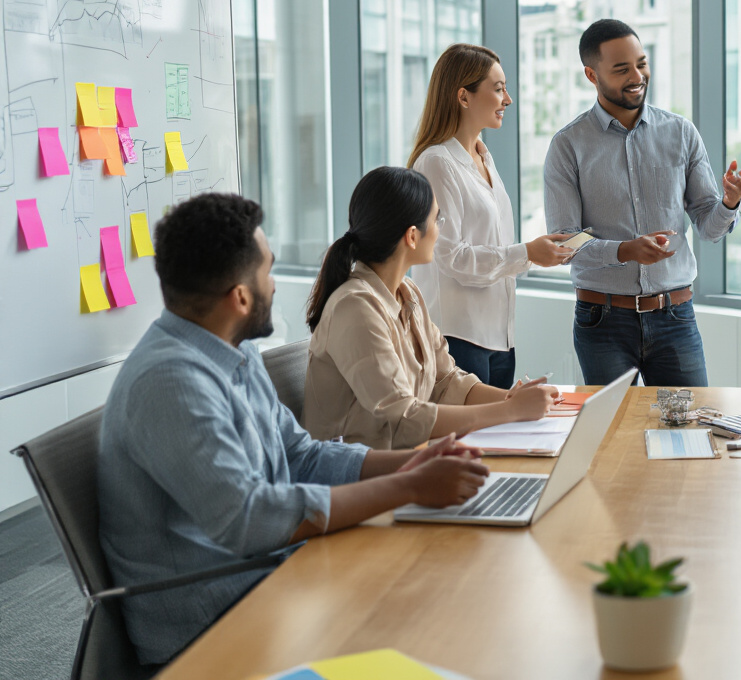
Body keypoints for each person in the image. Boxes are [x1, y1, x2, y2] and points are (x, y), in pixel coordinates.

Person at [98, 193, 491, 666]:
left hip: (268, 574)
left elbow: (300, 454)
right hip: (211, 624)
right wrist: (406, 487)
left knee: (436, 584)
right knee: (419, 611)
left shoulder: (230, 347)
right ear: (239, 297)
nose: (275, 285)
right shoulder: (170, 383)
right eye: (267, 272)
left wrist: (411, 462)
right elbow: (250, 519)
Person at [543, 18, 741, 386]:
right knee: (612, 435)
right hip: (602, 321)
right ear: (592, 75)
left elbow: (708, 228)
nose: (637, 76)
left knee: (688, 431)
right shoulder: (568, 146)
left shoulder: (680, 132)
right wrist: (624, 250)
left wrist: (728, 202)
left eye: (642, 63)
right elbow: (565, 241)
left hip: (675, 317)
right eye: (621, 69)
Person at [303, 166, 556, 449]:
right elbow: (404, 418)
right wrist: (510, 411)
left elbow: (447, 381)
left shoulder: (407, 292)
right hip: (357, 477)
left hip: (402, 463)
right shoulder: (354, 307)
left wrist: (512, 399)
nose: (440, 229)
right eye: (438, 219)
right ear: (412, 236)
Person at [408, 44, 573, 388]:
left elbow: (490, 247)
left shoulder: (484, 157)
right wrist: (527, 253)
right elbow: (452, 257)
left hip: (500, 337)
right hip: (457, 338)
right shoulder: (437, 163)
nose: (507, 99)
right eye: (498, 89)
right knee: (473, 440)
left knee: (499, 440)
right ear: (464, 97)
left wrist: (533, 253)